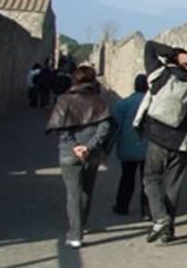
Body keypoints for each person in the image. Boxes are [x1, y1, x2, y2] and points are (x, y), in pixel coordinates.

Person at [137, 40, 187, 244]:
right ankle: (169, 231)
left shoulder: (158, 74)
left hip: (158, 137)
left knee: (150, 179)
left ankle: (160, 218)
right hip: (182, 143)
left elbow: (149, 46)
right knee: (172, 187)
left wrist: (173, 53)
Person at [46, 65, 112, 248]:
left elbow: (61, 128)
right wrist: (88, 147)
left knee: (73, 192)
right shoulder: (100, 102)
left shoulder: (64, 100)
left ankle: (75, 234)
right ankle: (81, 226)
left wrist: (75, 146)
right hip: (92, 154)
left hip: (69, 152)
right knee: (87, 190)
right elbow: (104, 128)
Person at [111, 74, 149, 218]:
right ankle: (146, 211)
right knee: (147, 180)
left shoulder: (123, 103)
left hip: (127, 147)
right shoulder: (152, 103)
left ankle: (122, 206)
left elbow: (115, 126)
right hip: (148, 148)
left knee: (127, 178)